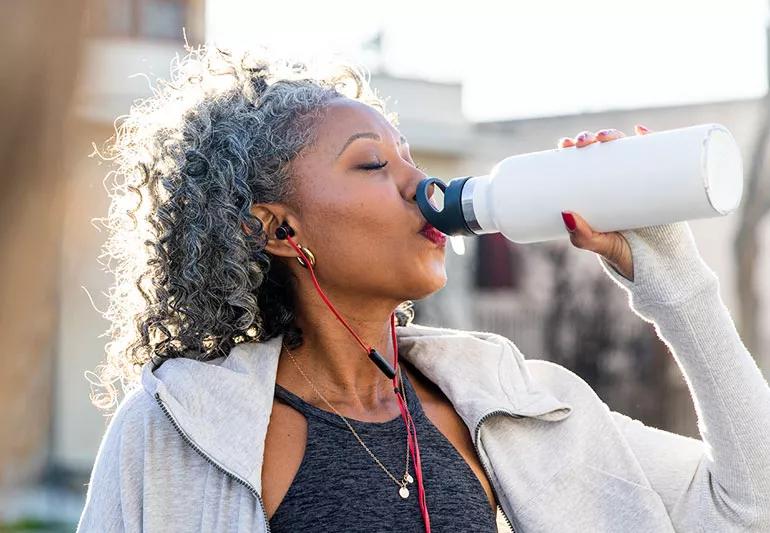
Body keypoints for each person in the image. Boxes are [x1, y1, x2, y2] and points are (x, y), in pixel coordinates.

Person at [76, 45, 770, 532]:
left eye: (411, 157)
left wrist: (670, 268)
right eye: (374, 164)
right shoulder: (177, 428)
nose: (421, 186)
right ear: (280, 230)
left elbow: (751, 505)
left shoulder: (513, 405)